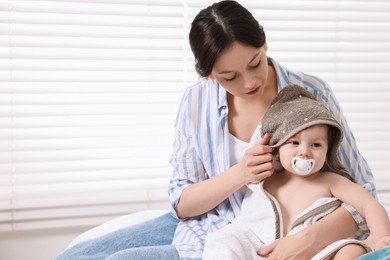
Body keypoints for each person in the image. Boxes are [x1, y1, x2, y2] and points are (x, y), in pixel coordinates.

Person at [55, 1, 377, 259]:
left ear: (264, 42)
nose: (249, 82)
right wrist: (240, 174)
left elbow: (363, 189)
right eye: (229, 76)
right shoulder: (197, 101)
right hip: (211, 222)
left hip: (279, 231)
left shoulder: (311, 92)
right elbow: (181, 202)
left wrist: (309, 238)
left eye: (255, 63)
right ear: (208, 74)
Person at [202, 85, 390, 260]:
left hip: (314, 252)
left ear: (328, 151)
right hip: (260, 248)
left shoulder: (331, 181)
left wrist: (382, 238)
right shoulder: (266, 178)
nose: (304, 151)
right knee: (221, 241)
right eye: (294, 142)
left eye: (316, 144)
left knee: (352, 250)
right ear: (276, 148)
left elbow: (368, 204)